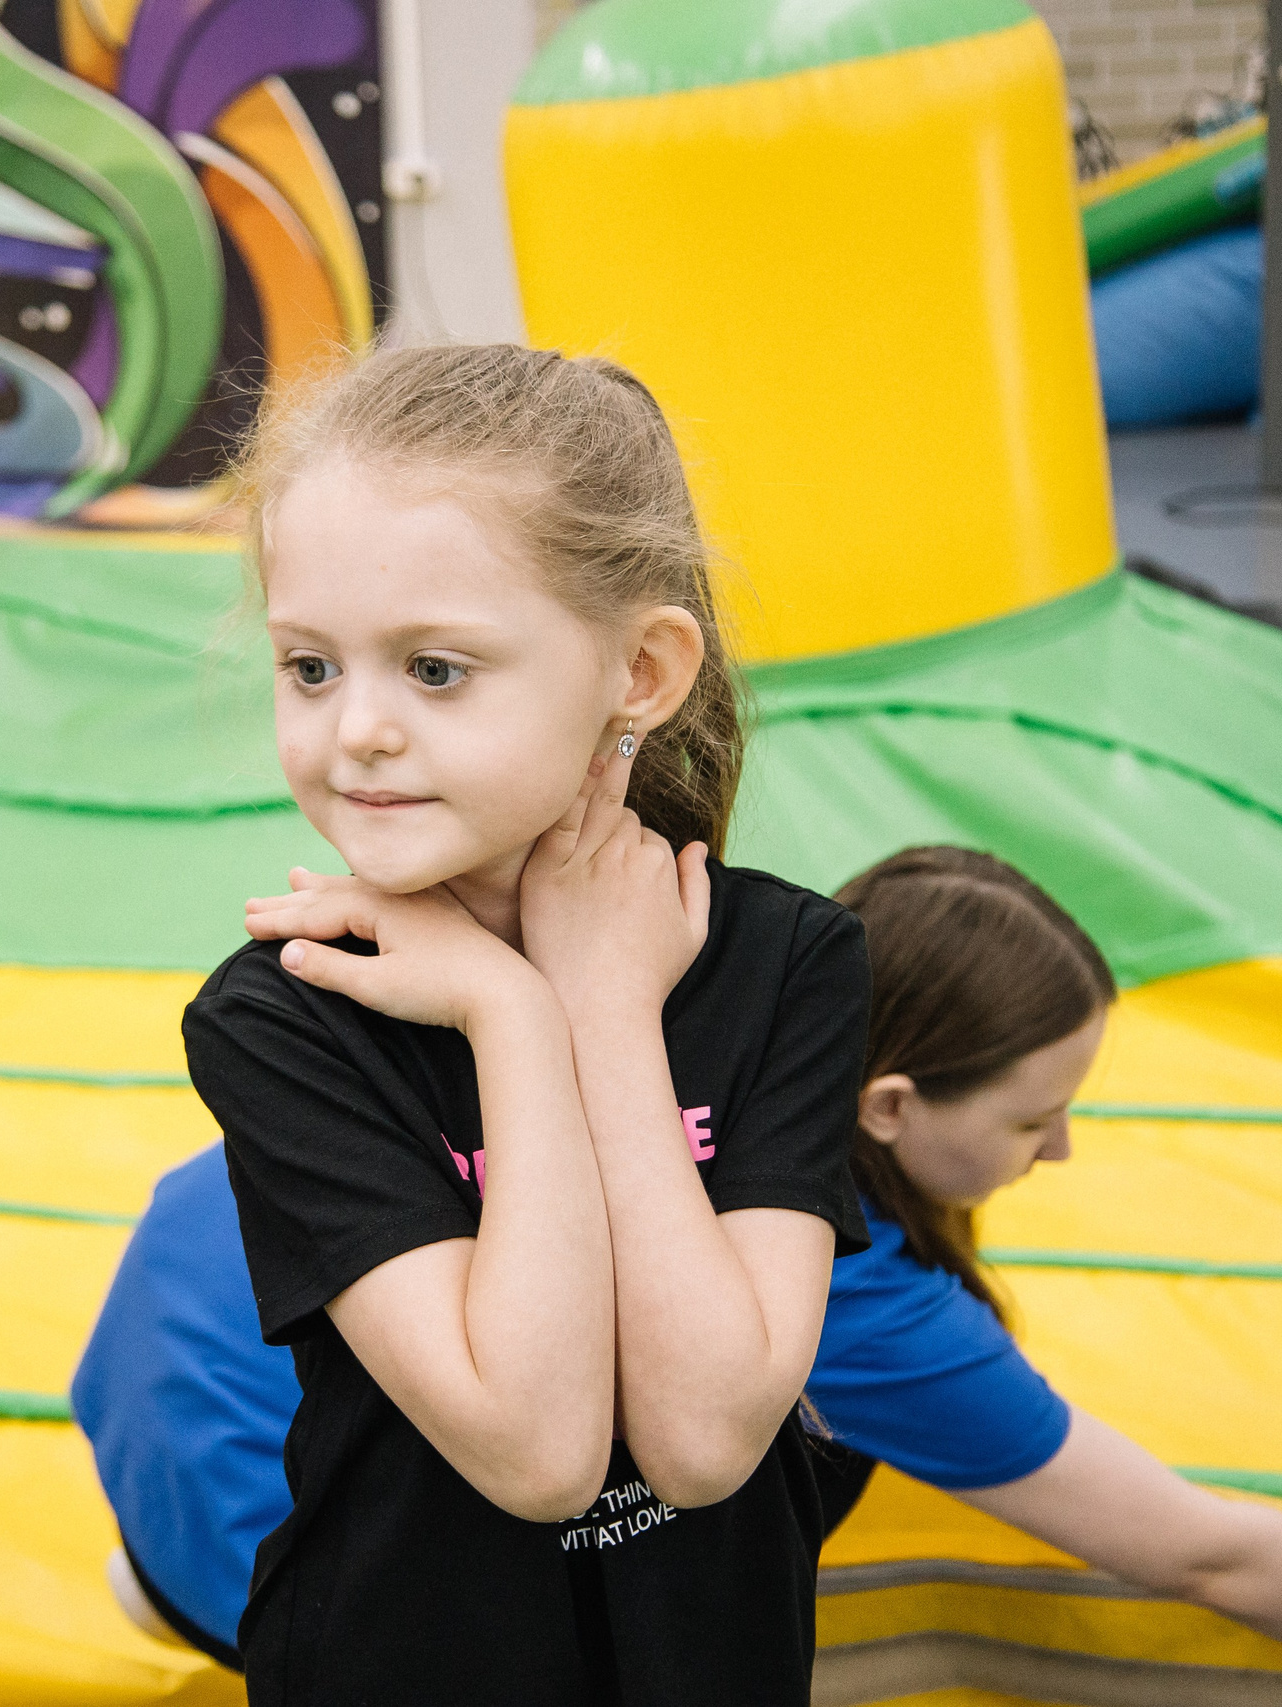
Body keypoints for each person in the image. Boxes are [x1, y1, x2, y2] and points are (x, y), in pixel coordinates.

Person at [81, 844, 1282, 1705]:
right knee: (766, 1484)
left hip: (172, 1409)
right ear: (892, 1107)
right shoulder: (838, 1285)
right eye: (1036, 1119)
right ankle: (209, 1595)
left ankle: (178, 1564)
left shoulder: (711, 1017)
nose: (1061, 1154)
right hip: (276, 1548)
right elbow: (1212, 1556)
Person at [178, 344, 871, 1706]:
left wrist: (606, 1007)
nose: (357, 731)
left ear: (641, 671)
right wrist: (513, 1012)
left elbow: (707, 1437)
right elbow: (539, 1450)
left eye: (435, 669)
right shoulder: (286, 1014)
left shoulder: (791, 965)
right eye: (310, 667)